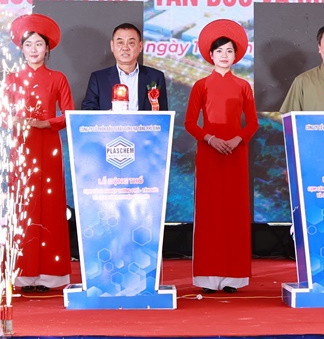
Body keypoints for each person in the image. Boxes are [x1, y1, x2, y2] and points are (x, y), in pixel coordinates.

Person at [184, 19, 258, 293]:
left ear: (236, 55)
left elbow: (252, 123)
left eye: (229, 51)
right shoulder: (201, 85)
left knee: (234, 213)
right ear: (211, 55)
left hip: (236, 155)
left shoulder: (243, 86)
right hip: (209, 154)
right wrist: (211, 139)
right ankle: (208, 277)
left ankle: (233, 277)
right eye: (219, 51)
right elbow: (190, 123)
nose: (224, 55)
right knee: (210, 212)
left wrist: (238, 139)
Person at [5, 13, 75, 291]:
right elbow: (2, 115)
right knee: (24, 205)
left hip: (49, 146)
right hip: (21, 147)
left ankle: (50, 274)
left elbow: (68, 114)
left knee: (50, 205)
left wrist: (47, 123)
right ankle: (23, 274)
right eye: (28, 44)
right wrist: (15, 121)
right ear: (21, 49)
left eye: (38, 44)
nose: (33, 49)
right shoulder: (12, 79)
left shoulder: (57, 78)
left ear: (47, 49)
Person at [81, 23, 169, 111]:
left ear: (140, 46)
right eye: (120, 42)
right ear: (112, 46)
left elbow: (163, 114)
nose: (125, 48)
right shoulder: (99, 78)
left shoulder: (155, 77)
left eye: (131, 43)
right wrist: (108, 115)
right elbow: (88, 112)